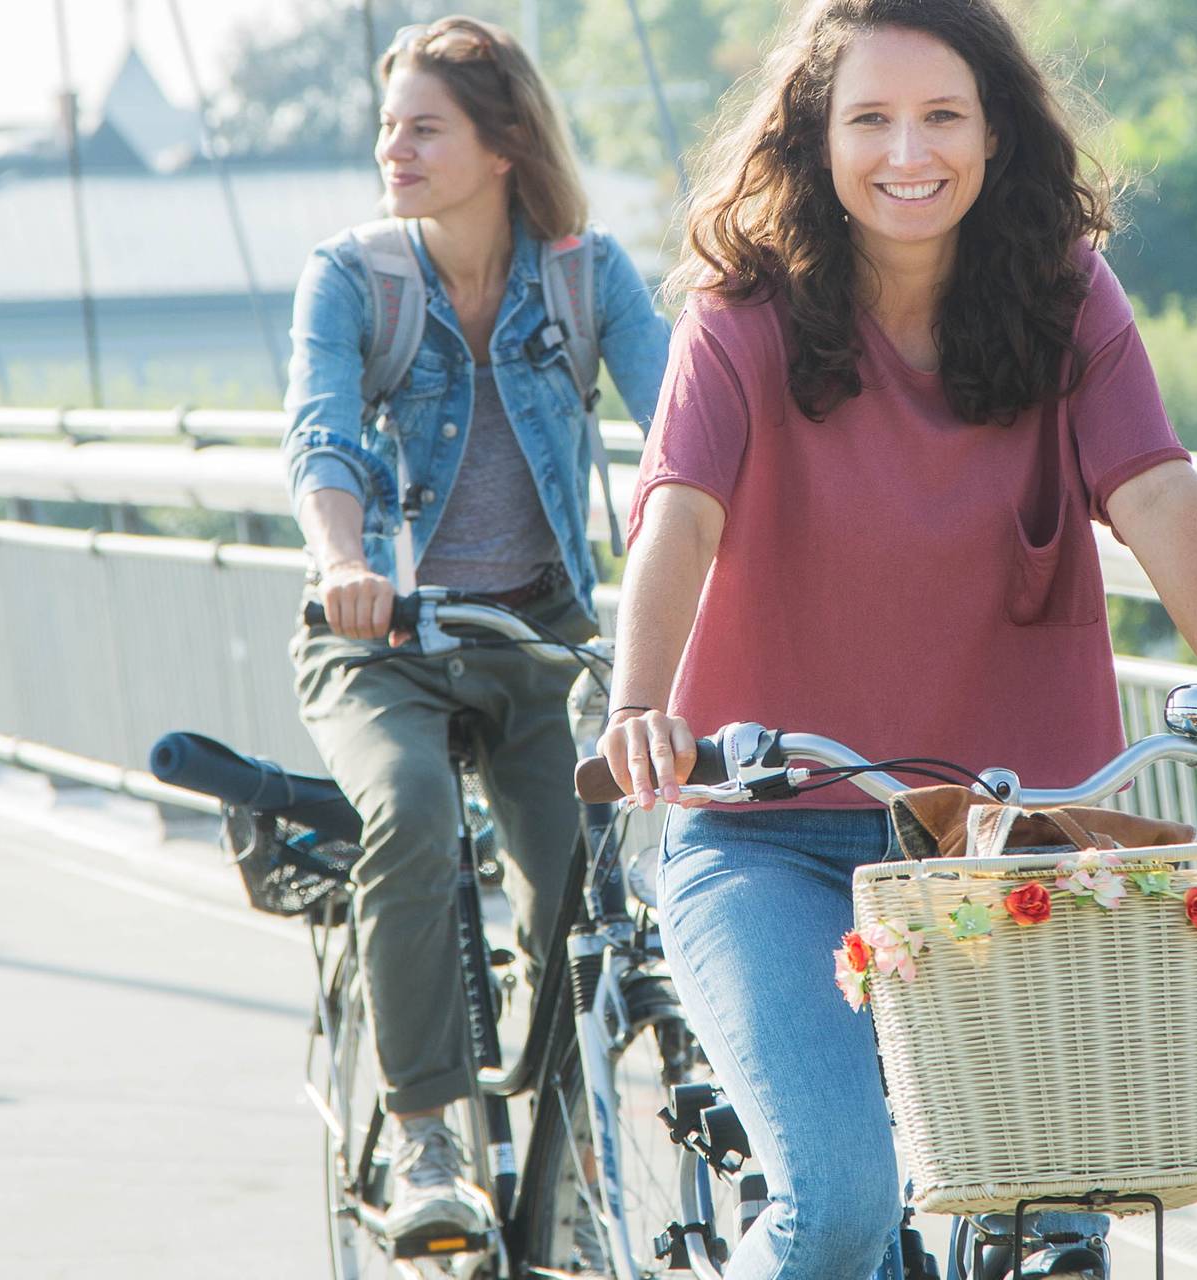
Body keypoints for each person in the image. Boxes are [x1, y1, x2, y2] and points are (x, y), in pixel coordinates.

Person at [594, 1, 1197, 1276]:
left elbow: (1153, 485)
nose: (905, 152)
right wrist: (639, 702)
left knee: (1061, 1218)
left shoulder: (1063, 293)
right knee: (839, 1202)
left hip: (1010, 847)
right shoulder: (742, 308)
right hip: (769, 838)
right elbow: (679, 509)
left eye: (940, 116)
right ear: (815, 137)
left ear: (993, 134)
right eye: (868, 119)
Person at [280, 14, 671, 1248]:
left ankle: (571, 1159)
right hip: (382, 638)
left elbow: (685, 433)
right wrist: (344, 562)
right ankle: (426, 1137)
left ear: (503, 145)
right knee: (408, 810)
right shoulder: (352, 276)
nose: (391, 149)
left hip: (535, 633)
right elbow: (320, 435)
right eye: (386, 127)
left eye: (423, 129)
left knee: (579, 896)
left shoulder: (584, 275)